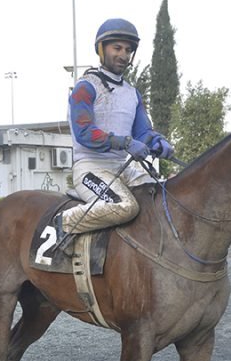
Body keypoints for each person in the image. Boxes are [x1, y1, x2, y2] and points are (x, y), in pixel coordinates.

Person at [57, 18, 173, 237]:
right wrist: (124, 142)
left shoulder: (132, 93)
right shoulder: (85, 87)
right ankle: (61, 223)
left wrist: (158, 142)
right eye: (117, 48)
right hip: (90, 168)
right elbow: (84, 132)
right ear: (102, 49)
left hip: (123, 167)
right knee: (124, 207)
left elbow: (143, 132)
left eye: (128, 50)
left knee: (164, 196)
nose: (123, 55)